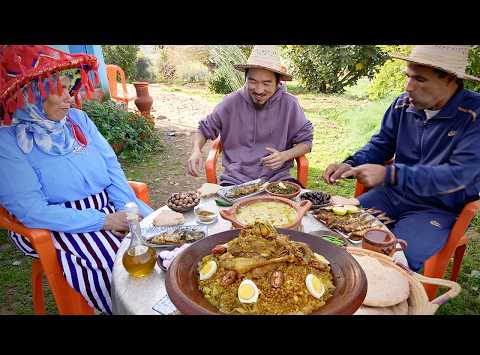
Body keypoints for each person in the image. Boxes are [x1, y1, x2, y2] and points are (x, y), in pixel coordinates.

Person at [0, 45, 153, 314]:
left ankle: (156, 303)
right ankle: (127, 308)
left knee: (156, 239)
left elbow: (112, 174)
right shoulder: (8, 141)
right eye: (56, 90)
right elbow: (32, 211)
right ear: (30, 95)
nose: (70, 98)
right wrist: (103, 221)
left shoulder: (78, 120)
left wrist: (138, 214)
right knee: (116, 259)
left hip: (103, 206)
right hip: (52, 221)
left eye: (68, 86)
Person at [323, 45, 480, 271]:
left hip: (436, 209)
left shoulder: (474, 114)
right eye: (408, 77)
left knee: (389, 261)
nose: (409, 87)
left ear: (449, 79)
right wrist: (350, 163)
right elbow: (381, 144)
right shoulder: (402, 104)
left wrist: (390, 174)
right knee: (335, 229)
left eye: (420, 79)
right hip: (392, 195)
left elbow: (458, 175)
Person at [187, 45, 313, 186]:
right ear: (245, 78)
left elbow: (306, 143)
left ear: (278, 82)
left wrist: (284, 156)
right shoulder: (231, 102)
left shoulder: (289, 104)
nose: (259, 90)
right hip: (235, 182)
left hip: (277, 181)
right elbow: (204, 129)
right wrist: (196, 150)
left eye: (267, 83)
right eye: (252, 81)